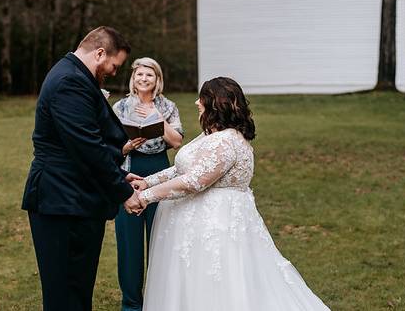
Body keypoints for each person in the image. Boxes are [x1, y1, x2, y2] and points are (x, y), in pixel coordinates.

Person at [132, 77, 331, 310]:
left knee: (215, 285)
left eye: (202, 98)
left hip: (215, 225)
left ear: (215, 104)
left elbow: (194, 181)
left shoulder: (226, 142)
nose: (197, 102)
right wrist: (146, 182)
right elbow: (181, 169)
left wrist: (146, 197)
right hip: (196, 223)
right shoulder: (211, 137)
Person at [21, 26, 145, 311]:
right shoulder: (70, 81)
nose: (115, 72)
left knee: (77, 292)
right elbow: (86, 146)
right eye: (115, 65)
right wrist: (123, 191)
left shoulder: (75, 76)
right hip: (62, 202)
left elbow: (87, 143)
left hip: (74, 198)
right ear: (100, 53)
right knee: (65, 295)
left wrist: (120, 173)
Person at [112, 57, 183, 311]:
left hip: (159, 170)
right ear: (133, 78)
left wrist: (156, 116)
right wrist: (127, 146)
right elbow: (108, 146)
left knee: (159, 237)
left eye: (149, 75)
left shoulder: (168, 106)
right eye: (139, 75)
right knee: (129, 242)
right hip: (129, 171)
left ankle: (159, 300)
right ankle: (131, 304)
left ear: (157, 79)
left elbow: (176, 142)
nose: (143, 79)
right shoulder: (120, 107)